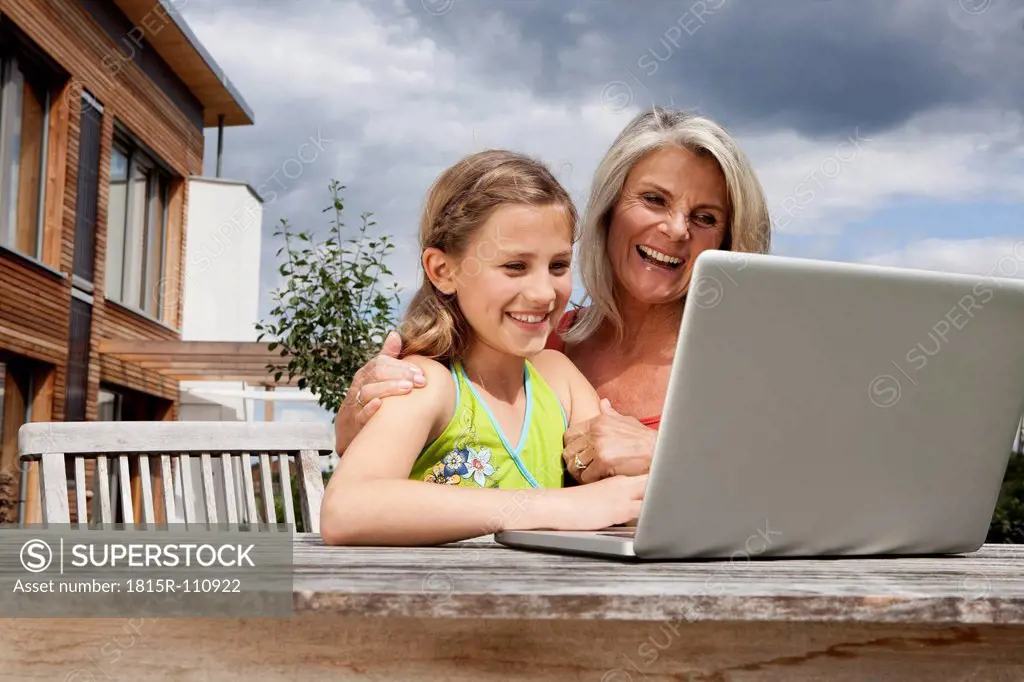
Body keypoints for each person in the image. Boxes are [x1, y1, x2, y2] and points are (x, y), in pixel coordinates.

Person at [334, 107, 771, 489]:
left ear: (728, 240)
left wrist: (665, 456)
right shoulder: (537, 341)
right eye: (654, 199)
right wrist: (357, 417)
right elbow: (364, 488)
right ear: (608, 208)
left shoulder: (742, 366)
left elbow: (798, 491)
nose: (677, 229)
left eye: (705, 217)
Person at [319, 150, 647, 547]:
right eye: (515, 266)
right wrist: (558, 506)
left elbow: (616, 486)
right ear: (443, 271)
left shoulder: (559, 377)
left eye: (558, 266)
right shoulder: (425, 384)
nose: (544, 292)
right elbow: (346, 510)